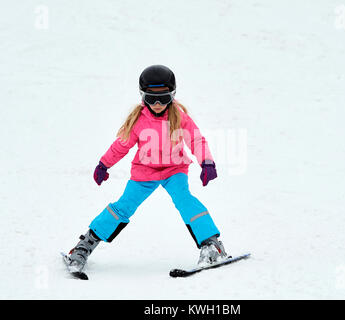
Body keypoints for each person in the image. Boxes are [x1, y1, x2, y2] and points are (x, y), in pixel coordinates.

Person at [65, 65, 227, 273]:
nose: (158, 104)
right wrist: (104, 164)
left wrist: (207, 162)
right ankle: (84, 246)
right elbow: (121, 145)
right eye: (151, 99)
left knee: (184, 200)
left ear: (173, 95)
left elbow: (196, 140)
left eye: (164, 98)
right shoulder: (138, 121)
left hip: (174, 170)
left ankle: (211, 245)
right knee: (123, 207)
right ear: (143, 96)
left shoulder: (179, 117)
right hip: (144, 173)